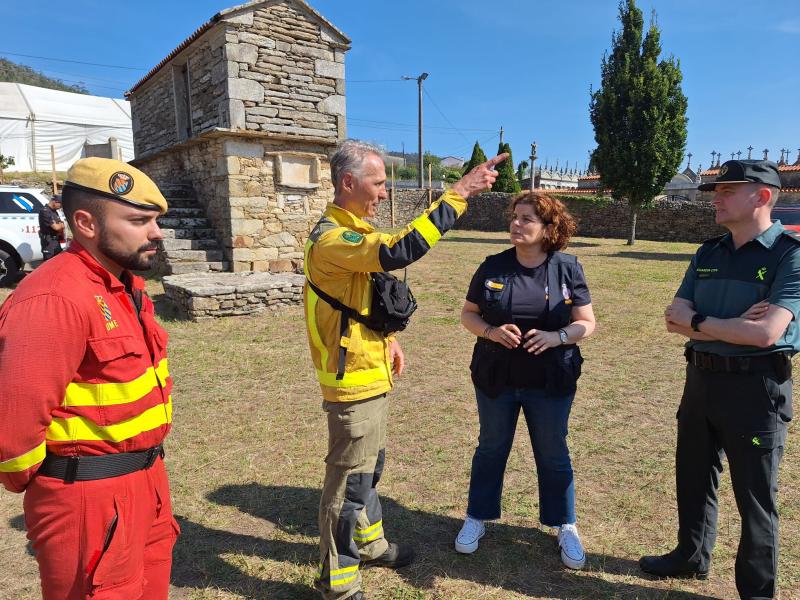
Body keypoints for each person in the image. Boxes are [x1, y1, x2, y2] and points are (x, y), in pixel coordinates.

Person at [305, 139, 507, 600]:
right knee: (346, 484)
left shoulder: (352, 229)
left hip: (370, 371)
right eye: (377, 184)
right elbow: (400, 249)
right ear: (349, 182)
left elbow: (361, 301)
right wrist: (459, 194)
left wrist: (388, 339)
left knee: (368, 472)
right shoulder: (334, 238)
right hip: (351, 381)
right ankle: (337, 582)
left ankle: (370, 544)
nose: (382, 193)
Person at [0, 157, 179, 600]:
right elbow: (13, 434)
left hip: (146, 481)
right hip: (86, 496)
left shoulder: (125, 286)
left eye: (155, 220)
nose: (155, 232)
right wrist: (63, 485)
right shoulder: (54, 297)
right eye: (139, 220)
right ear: (85, 224)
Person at [640, 160, 797, 600]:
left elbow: (766, 334)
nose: (716, 198)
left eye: (728, 190)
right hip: (701, 379)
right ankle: (690, 556)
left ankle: (756, 592)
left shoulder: (790, 255)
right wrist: (725, 325)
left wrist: (702, 319)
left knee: (755, 496)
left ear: (763, 196)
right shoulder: (708, 252)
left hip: (756, 390)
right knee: (692, 475)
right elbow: (674, 319)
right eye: (715, 190)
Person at [454, 191, 596, 570]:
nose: (517, 224)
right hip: (497, 378)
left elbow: (587, 322)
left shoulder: (567, 268)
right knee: (491, 447)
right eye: (515, 217)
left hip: (550, 380)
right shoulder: (492, 266)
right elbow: (468, 314)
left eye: (527, 219)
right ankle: (477, 516)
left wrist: (557, 337)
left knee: (553, 453)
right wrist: (490, 332)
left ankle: (564, 523)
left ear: (549, 227)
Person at [38, 193, 65, 260]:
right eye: (60, 204)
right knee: (48, 263)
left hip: (56, 241)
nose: (61, 207)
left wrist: (61, 225)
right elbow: (56, 227)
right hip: (48, 241)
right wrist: (62, 225)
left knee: (58, 261)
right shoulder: (45, 211)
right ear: (55, 202)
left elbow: (59, 224)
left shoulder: (54, 211)